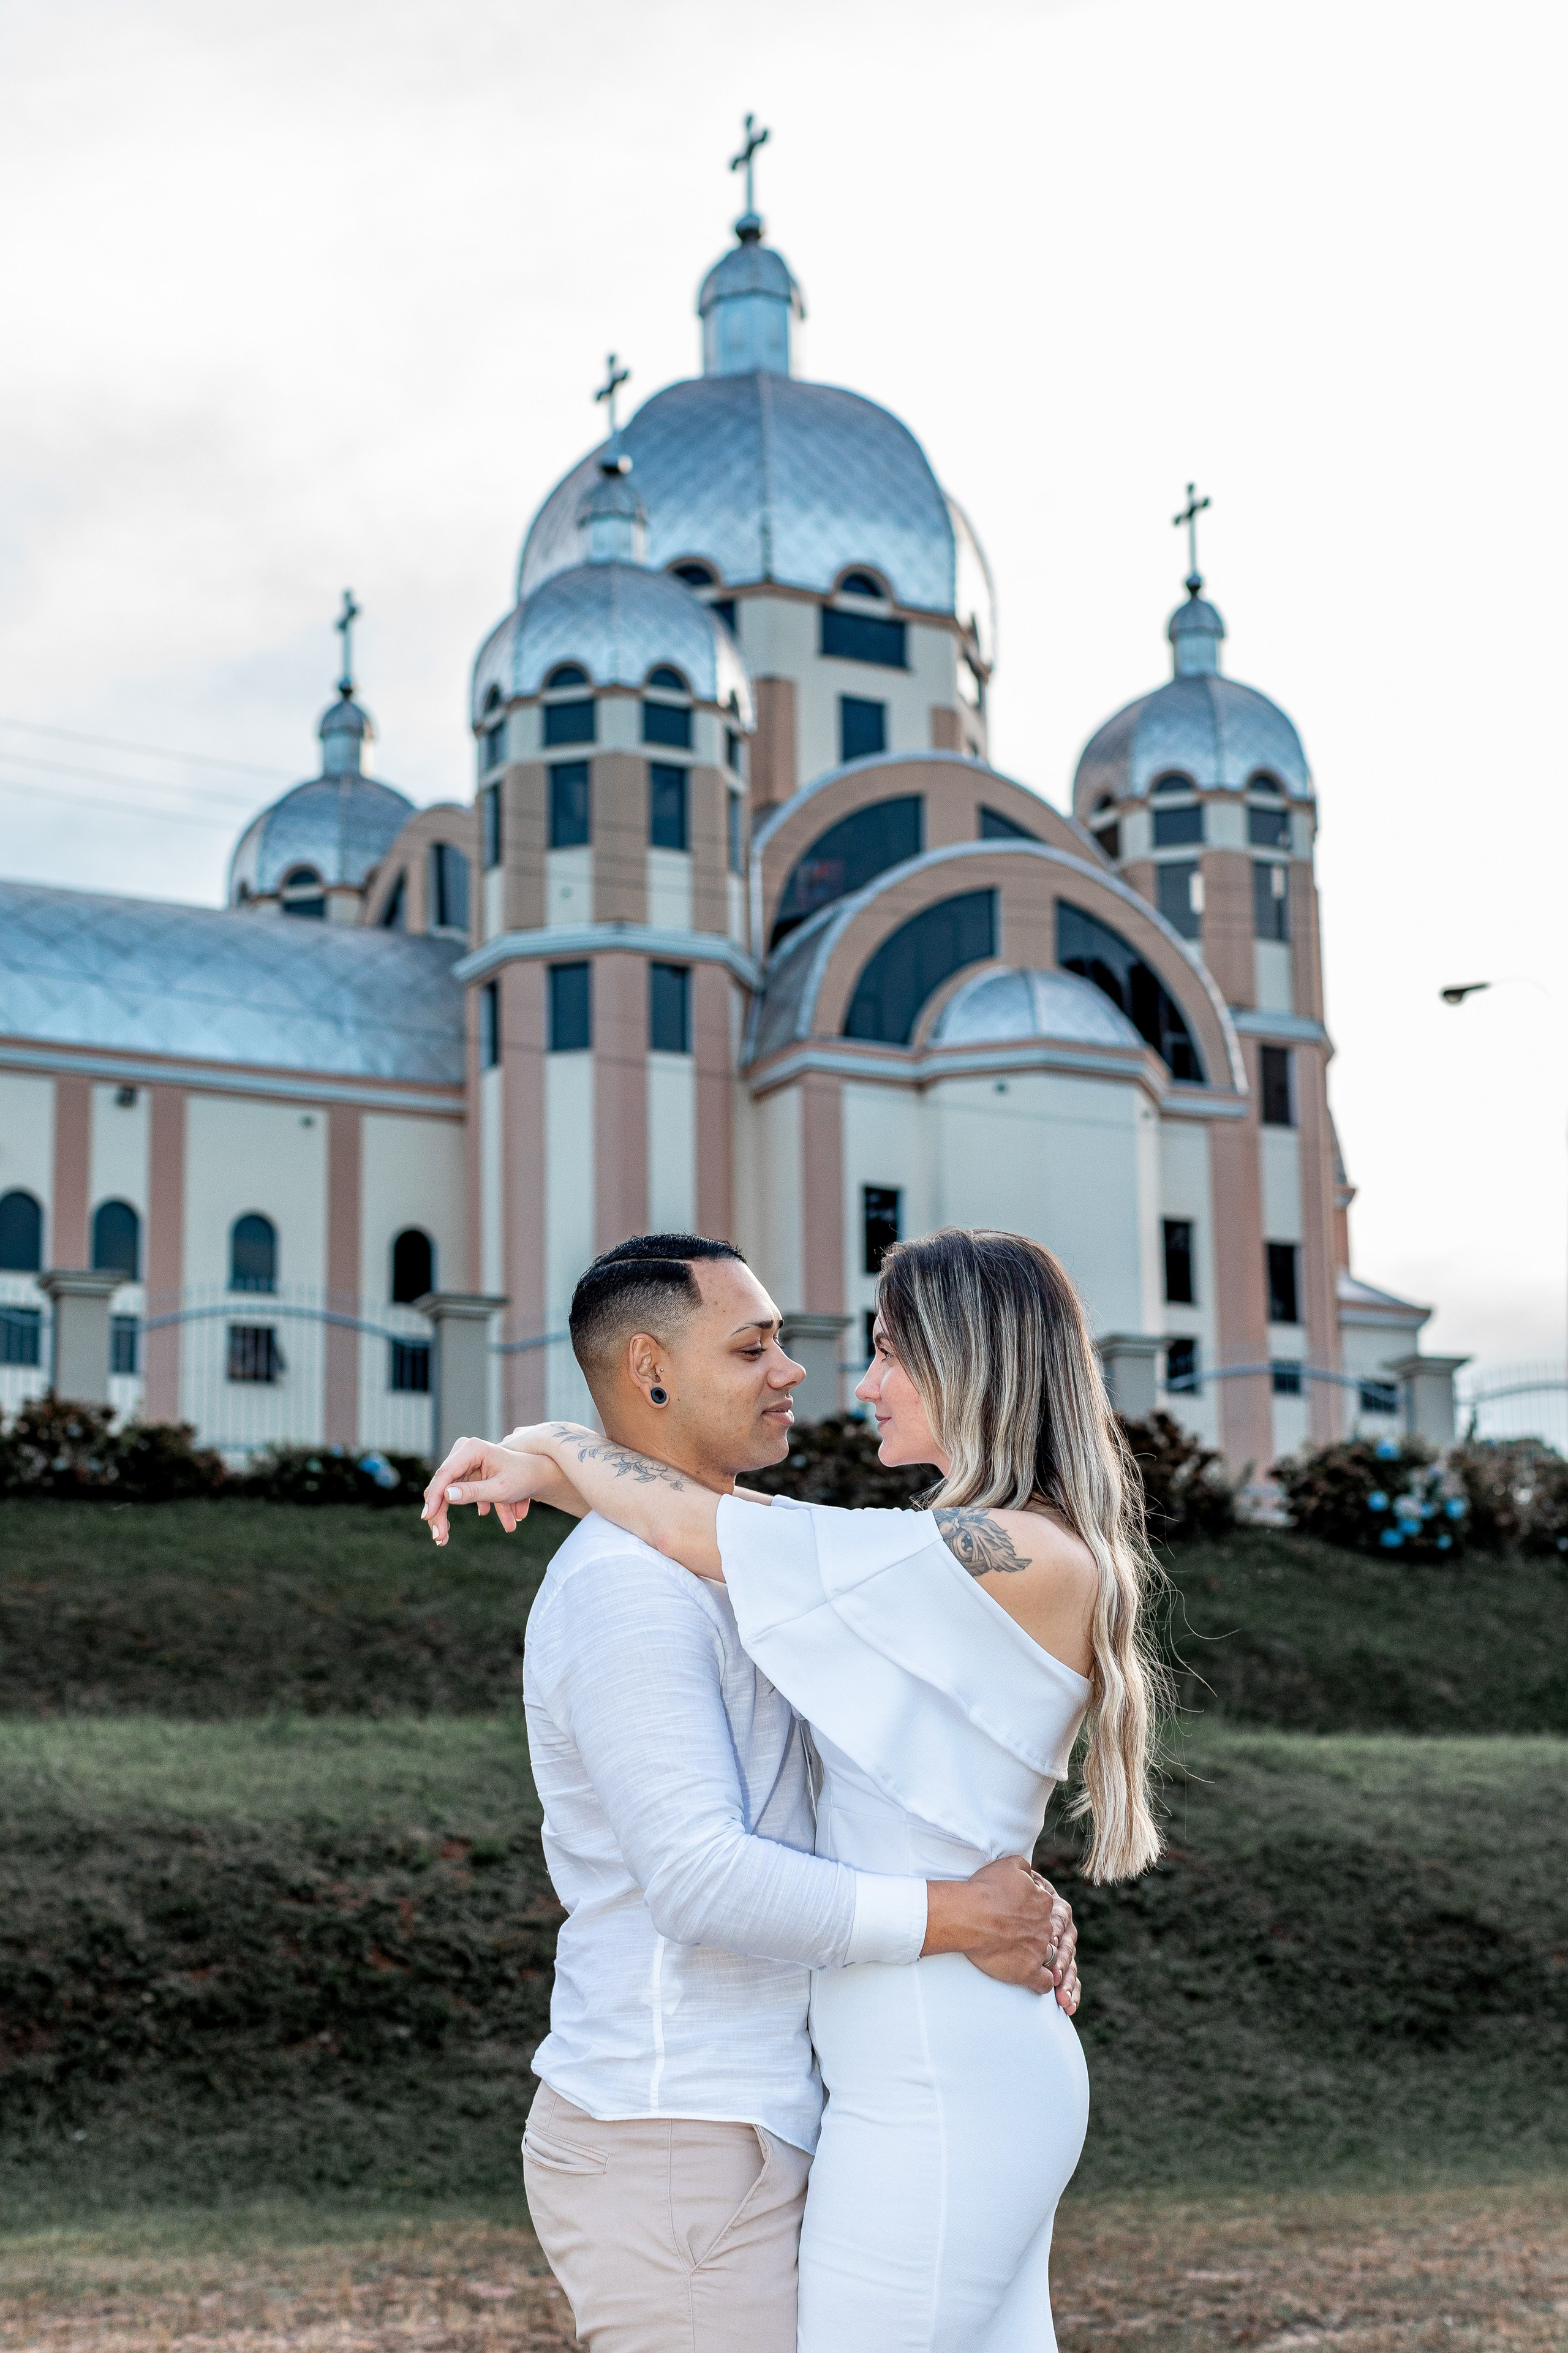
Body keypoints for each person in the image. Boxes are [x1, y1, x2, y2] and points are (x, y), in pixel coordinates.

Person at [426, 1228, 1159, 2353]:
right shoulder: (926, 1568)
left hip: (934, 2063)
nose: (842, 1380)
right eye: (756, 1345)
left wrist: (556, 1446)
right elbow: (700, 1548)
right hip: (888, 2062)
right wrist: (970, 1909)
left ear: (977, 1362)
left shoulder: (981, 1556)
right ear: (654, 1365)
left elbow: (702, 1528)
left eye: (888, 1352)